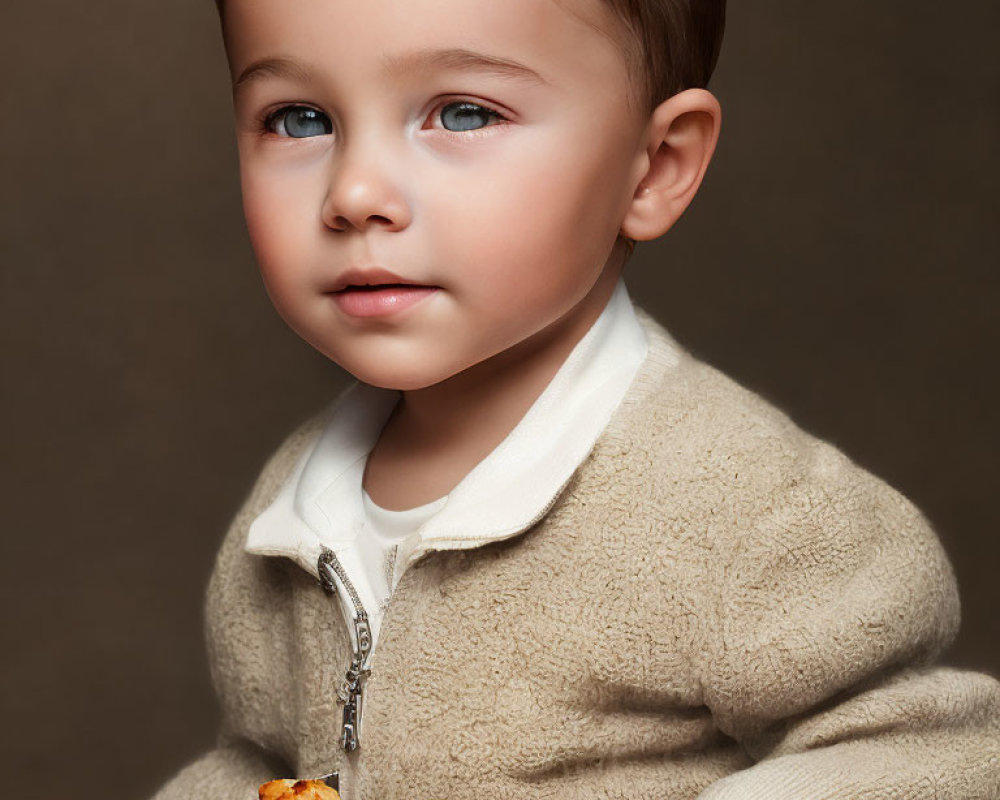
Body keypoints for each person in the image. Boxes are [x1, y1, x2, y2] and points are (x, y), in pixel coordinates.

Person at [151, 0, 1000, 797]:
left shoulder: (745, 508)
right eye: (300, 119)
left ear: (654, 167)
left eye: (463, 113)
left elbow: (932, 754)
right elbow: (260, 760)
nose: (355, 195)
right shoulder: (292, 509)